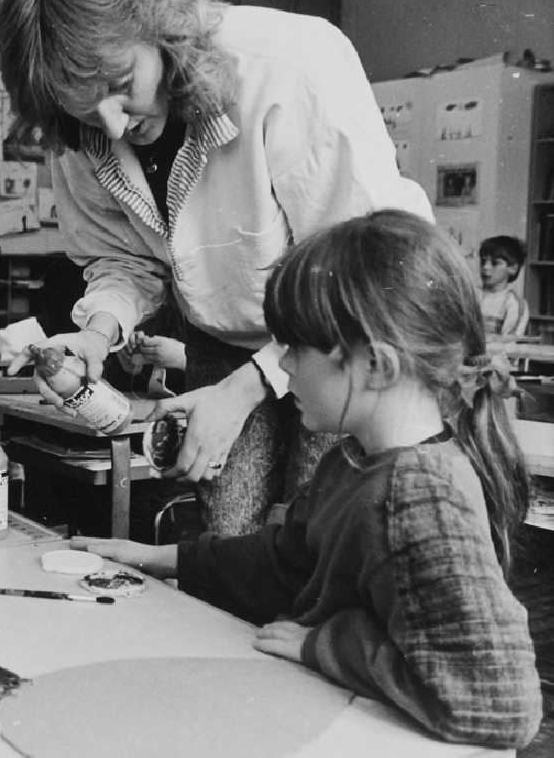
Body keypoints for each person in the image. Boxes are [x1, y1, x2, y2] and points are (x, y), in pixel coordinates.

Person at [0, 0, 433, 538]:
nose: (114, 123)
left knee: (327, 533)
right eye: (85, 109)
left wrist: (246, 389)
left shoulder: (291, 66)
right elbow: (122, 262)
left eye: (123, 83)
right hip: (223, 335)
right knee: (230, 535)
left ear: (162, 26)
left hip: (347, 333)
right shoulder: (81, 124)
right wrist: (98, 334)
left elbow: (362, 267)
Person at [73, 210, 542, 748]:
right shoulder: (353, 460)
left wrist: (323, 644)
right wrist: (154, 558)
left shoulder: (420, 492)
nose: (285, 365)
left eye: (296, 348)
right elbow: (285, 559)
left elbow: (501, 702)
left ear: (377, 367)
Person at [479, 234, 530, 339]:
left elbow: (508, 343)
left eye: (495, 263)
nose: (485, 267)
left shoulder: (514, 303)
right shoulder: (470, 295)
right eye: (483, 261)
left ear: (513, 268)